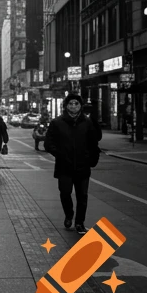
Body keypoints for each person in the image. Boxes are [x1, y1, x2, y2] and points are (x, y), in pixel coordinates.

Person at [43, 92, 103, 234]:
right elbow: (48, 143)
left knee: (82, 196)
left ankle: (80, 223)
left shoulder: (87, 122)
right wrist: (59, 154)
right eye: (71, 103)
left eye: (76, 103)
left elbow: (94, 142)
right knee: (65, 193)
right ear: (66, 106)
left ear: (81, 106)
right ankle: (69, 215)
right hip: (64, 166)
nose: (74, 106)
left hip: (83, 166)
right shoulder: (57, 122)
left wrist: (92, 159)